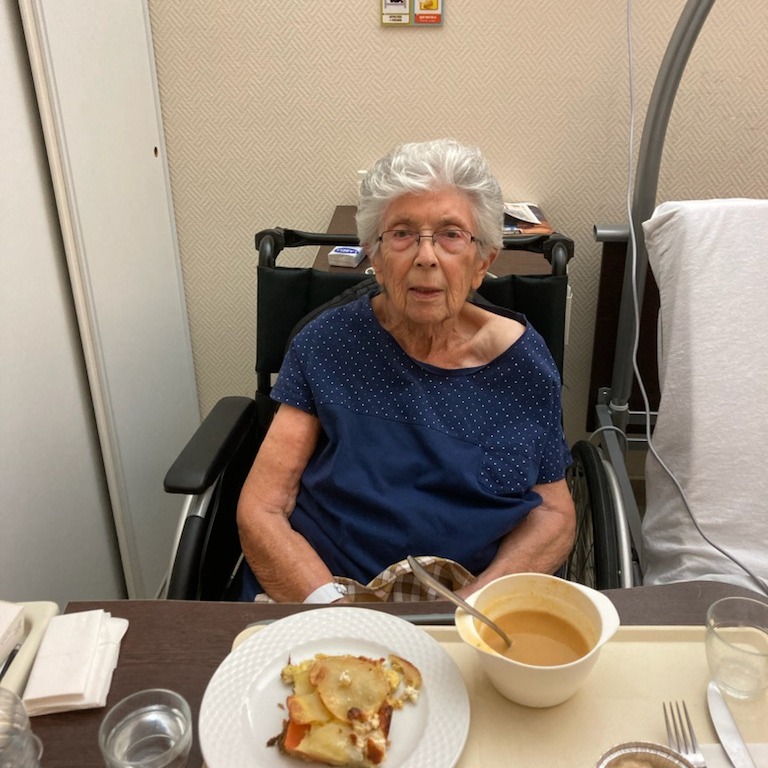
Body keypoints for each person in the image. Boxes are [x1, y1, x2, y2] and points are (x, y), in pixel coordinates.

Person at [237, 138, 575, 603]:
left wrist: (476, 605)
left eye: (451, 234)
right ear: (374, 256)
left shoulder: (524, 365)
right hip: (324, 589)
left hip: (465, 601)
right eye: (402, 233)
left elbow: (554, 514)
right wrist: (335, 611)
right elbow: (263, 508)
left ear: (483, 262)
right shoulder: (327, 344)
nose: (426, 256)